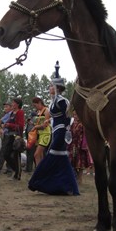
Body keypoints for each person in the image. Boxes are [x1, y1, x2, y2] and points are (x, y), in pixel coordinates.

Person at [28, 62, 80, 195]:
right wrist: (50, 120)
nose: (49, 87)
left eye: (51, 86)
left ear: (57, 88)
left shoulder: (61, 101)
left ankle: (37, 181)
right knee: (62, 160)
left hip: (61, 132)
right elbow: (57, 116)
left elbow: (67, 117)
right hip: (56, 130)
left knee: (52, 156)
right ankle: (69, 187)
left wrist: (66, 131)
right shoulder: (54, 101)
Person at [2, 97, 25, 180]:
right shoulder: (12, 113)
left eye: (13, 102)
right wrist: (6, 124)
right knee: (6, 154)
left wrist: (9, 125)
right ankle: (17, 169)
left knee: (16, 155)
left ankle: (17, 175)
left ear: (17, 104)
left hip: (16, 136)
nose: (12, 103)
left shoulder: (20, 112)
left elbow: (21, 125)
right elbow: (9, 122)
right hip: (10, 136)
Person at [68, 111, 92, 184]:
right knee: (72, 161)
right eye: (74, 115)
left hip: (80, 145)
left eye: (77, 115)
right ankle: (74, 178)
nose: (75, 116)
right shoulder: (72, 124)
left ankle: (80, 179)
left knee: (80, 163)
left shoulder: (82, 124)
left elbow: (85, 135)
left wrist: (84, 145)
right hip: (72, 145)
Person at [31, 97, 51, 167]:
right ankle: (43, 171)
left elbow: (45, 125)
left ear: (39, 103)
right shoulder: (38, 112)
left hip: (45, 134)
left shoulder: (46, 110)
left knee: (36, 154)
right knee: (41, 155)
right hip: (39, 135)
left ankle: (38, 172)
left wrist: (36, 127)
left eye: (35, 105)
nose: (35, 107)